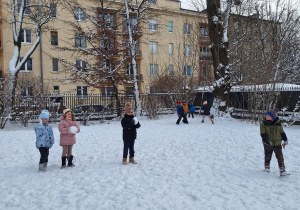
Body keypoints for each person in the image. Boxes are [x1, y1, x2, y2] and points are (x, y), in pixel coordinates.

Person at [260, 109, 289, 176]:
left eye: (268, 115)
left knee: (280, 156)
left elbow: (282, 132)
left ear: (273, 117)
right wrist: (266, 141)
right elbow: (263, 134)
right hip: (268, 143)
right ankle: (267, 166)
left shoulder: (278, 124)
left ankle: (282, 169)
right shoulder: (263, 124)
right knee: (268, 155)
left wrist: (285, 140)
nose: (266, 116)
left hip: (277, 143)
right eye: (266, 115)